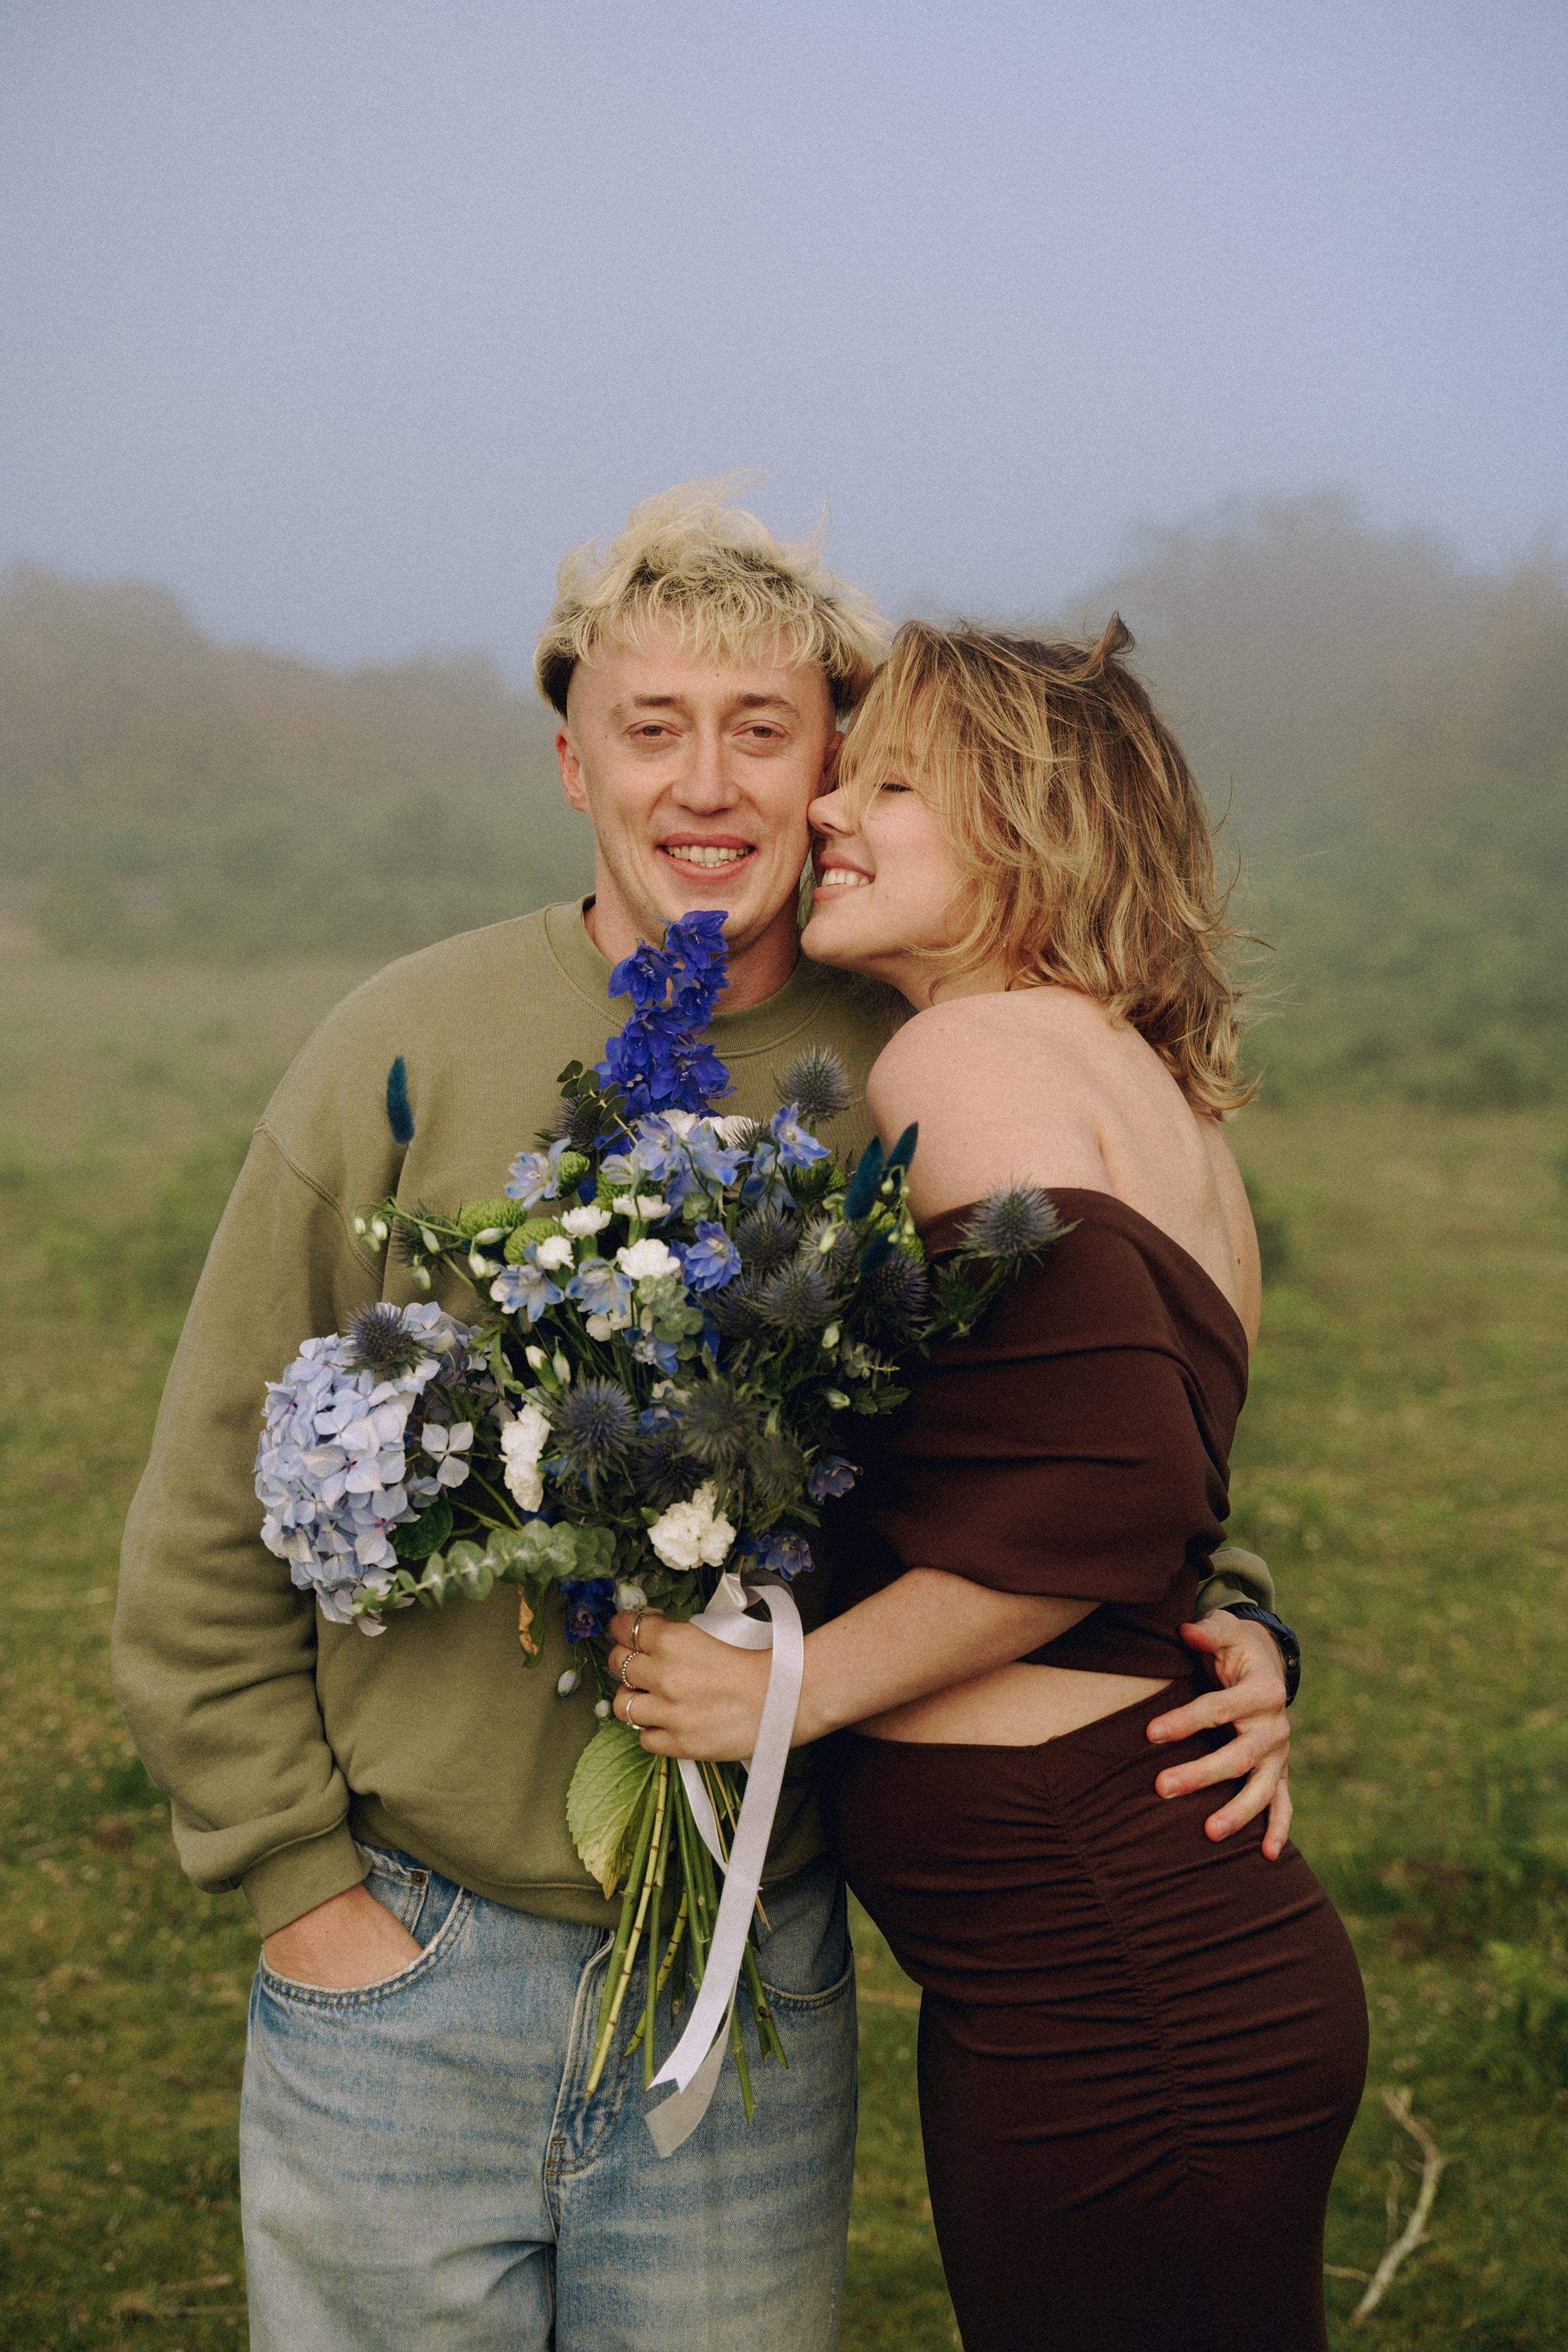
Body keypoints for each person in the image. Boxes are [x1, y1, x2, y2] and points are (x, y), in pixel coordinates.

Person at [114, 486, 1295, 2352]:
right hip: (410, 1960)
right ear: (571, 761)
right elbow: (204, 1514)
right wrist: (300, 1892)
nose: (709, 783)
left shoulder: (912, 1059)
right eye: (652, 728)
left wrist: (1237, 1625)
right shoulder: (397, 1044)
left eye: (765, 730)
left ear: (831, 767)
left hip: (756, 1969)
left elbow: (1082, 1432)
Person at [606, 617, 1366, 2351]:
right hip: (1138, 1944)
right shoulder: (1149, 1094)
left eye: (889, 787)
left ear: (1031, 823)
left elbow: (1107, 1500)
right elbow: (1139, 1490)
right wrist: (1251, 1633)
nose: (828, 814)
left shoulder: (965, 1058)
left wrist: (781, 1694)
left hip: (1111, 1964)